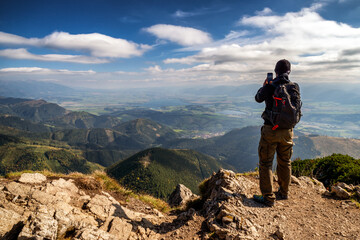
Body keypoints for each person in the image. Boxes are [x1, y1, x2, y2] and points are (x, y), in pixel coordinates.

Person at [253, 59, 301, 207]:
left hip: (270, 130)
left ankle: (268, 197)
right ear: (289, 72)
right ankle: (284, 192)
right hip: (288, 131)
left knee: (266, 163)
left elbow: (257, 98)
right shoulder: (294, 87)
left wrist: (265, 86)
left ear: (275, 71)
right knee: (285, 161)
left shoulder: (271, 85)